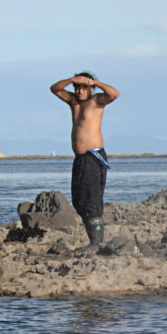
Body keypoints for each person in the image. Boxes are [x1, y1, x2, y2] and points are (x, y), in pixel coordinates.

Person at [49, 72, 120, 246]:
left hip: (93, 157)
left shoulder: (96, 101)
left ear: (91, 89)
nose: (80, 91)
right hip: (80, 159)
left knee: (92, 201)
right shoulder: (73, 101)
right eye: (77, 88)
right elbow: (55, 88)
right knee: (79, 200)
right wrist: (72, 80)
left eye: (84, 88)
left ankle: (97, 242)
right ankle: (93, 241)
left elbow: (114, 94)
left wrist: (94, 82)